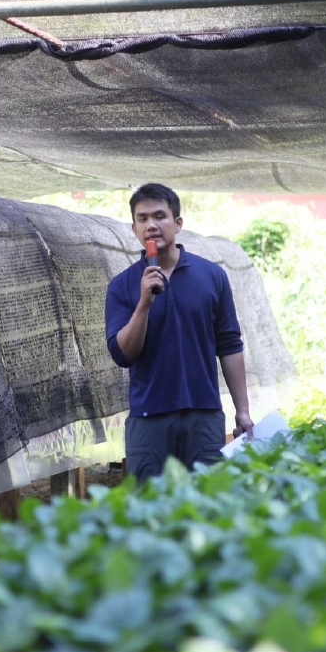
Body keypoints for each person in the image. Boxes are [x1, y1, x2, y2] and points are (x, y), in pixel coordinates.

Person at [105, 183, 253, 484]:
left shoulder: (211, 276)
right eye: (143, 219)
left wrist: (243, 411)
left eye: (160, 216)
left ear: (178, 223)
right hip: (148, 420)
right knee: (149, 513)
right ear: (134, 229)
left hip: (204, 416)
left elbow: (229, 344)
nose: (152, 225)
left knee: (208, 505)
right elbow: (122, 353)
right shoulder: (122, 285)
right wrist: (144, 303)